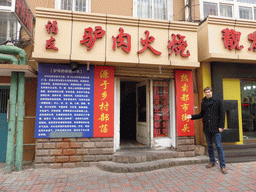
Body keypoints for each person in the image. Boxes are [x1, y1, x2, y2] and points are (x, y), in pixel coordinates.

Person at [186, 87, 227, 174]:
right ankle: (212, 162)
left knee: (219, 146)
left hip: (216, 128)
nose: (207, 94)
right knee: (209, 146)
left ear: (212, 92)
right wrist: (192, 117)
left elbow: (222, 115)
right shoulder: (203, 102)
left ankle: (222, 165)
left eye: (209, 92)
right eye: (206, 92)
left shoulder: (218, 101)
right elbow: (202, 114)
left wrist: (221, 126)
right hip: (207, 128)